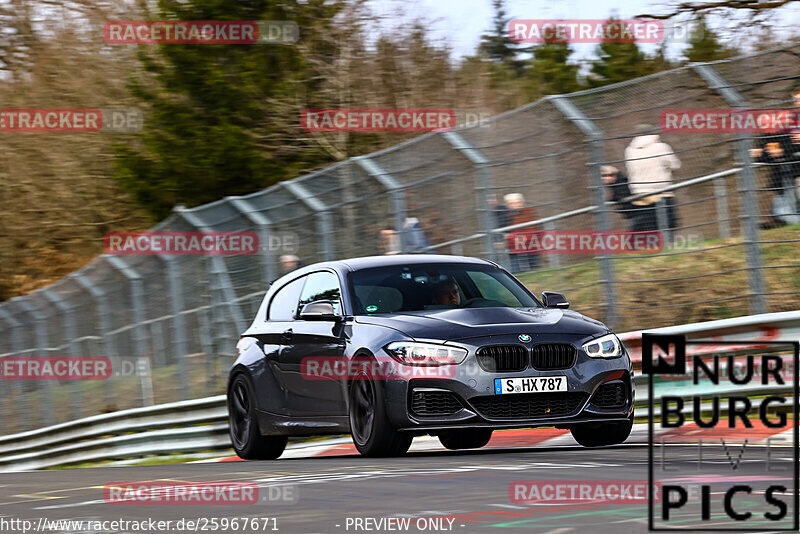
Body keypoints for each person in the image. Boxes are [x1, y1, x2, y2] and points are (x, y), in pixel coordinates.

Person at [749, 92, 800, 227]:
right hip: (782, 178)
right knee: (783, 207)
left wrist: (764, 153)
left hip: (791, 172)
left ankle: (781, 222)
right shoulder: (765, 137)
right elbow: (768, 155)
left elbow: (783, 150)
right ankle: (777, 223)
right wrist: (761, 154)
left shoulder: (784, 132)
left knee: (785, 210)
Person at [624, 125, 681, 233]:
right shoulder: (660, 147)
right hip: (661, 191)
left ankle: (651, 247)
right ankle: (668, 246)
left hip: (640, 193)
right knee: (669, 223)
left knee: (649, 226)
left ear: (636, 135)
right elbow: (675, 165)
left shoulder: (629, 150)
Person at [504, 193, 539, 273]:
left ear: (522, 203)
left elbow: (532, 230)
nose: (514, 205)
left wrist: (513, 237)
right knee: (515, 269)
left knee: (533, 268)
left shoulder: (528, 213)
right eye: (511, 203)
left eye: (517, 203)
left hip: (530, 244)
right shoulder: (507, 216)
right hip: (513, 247)